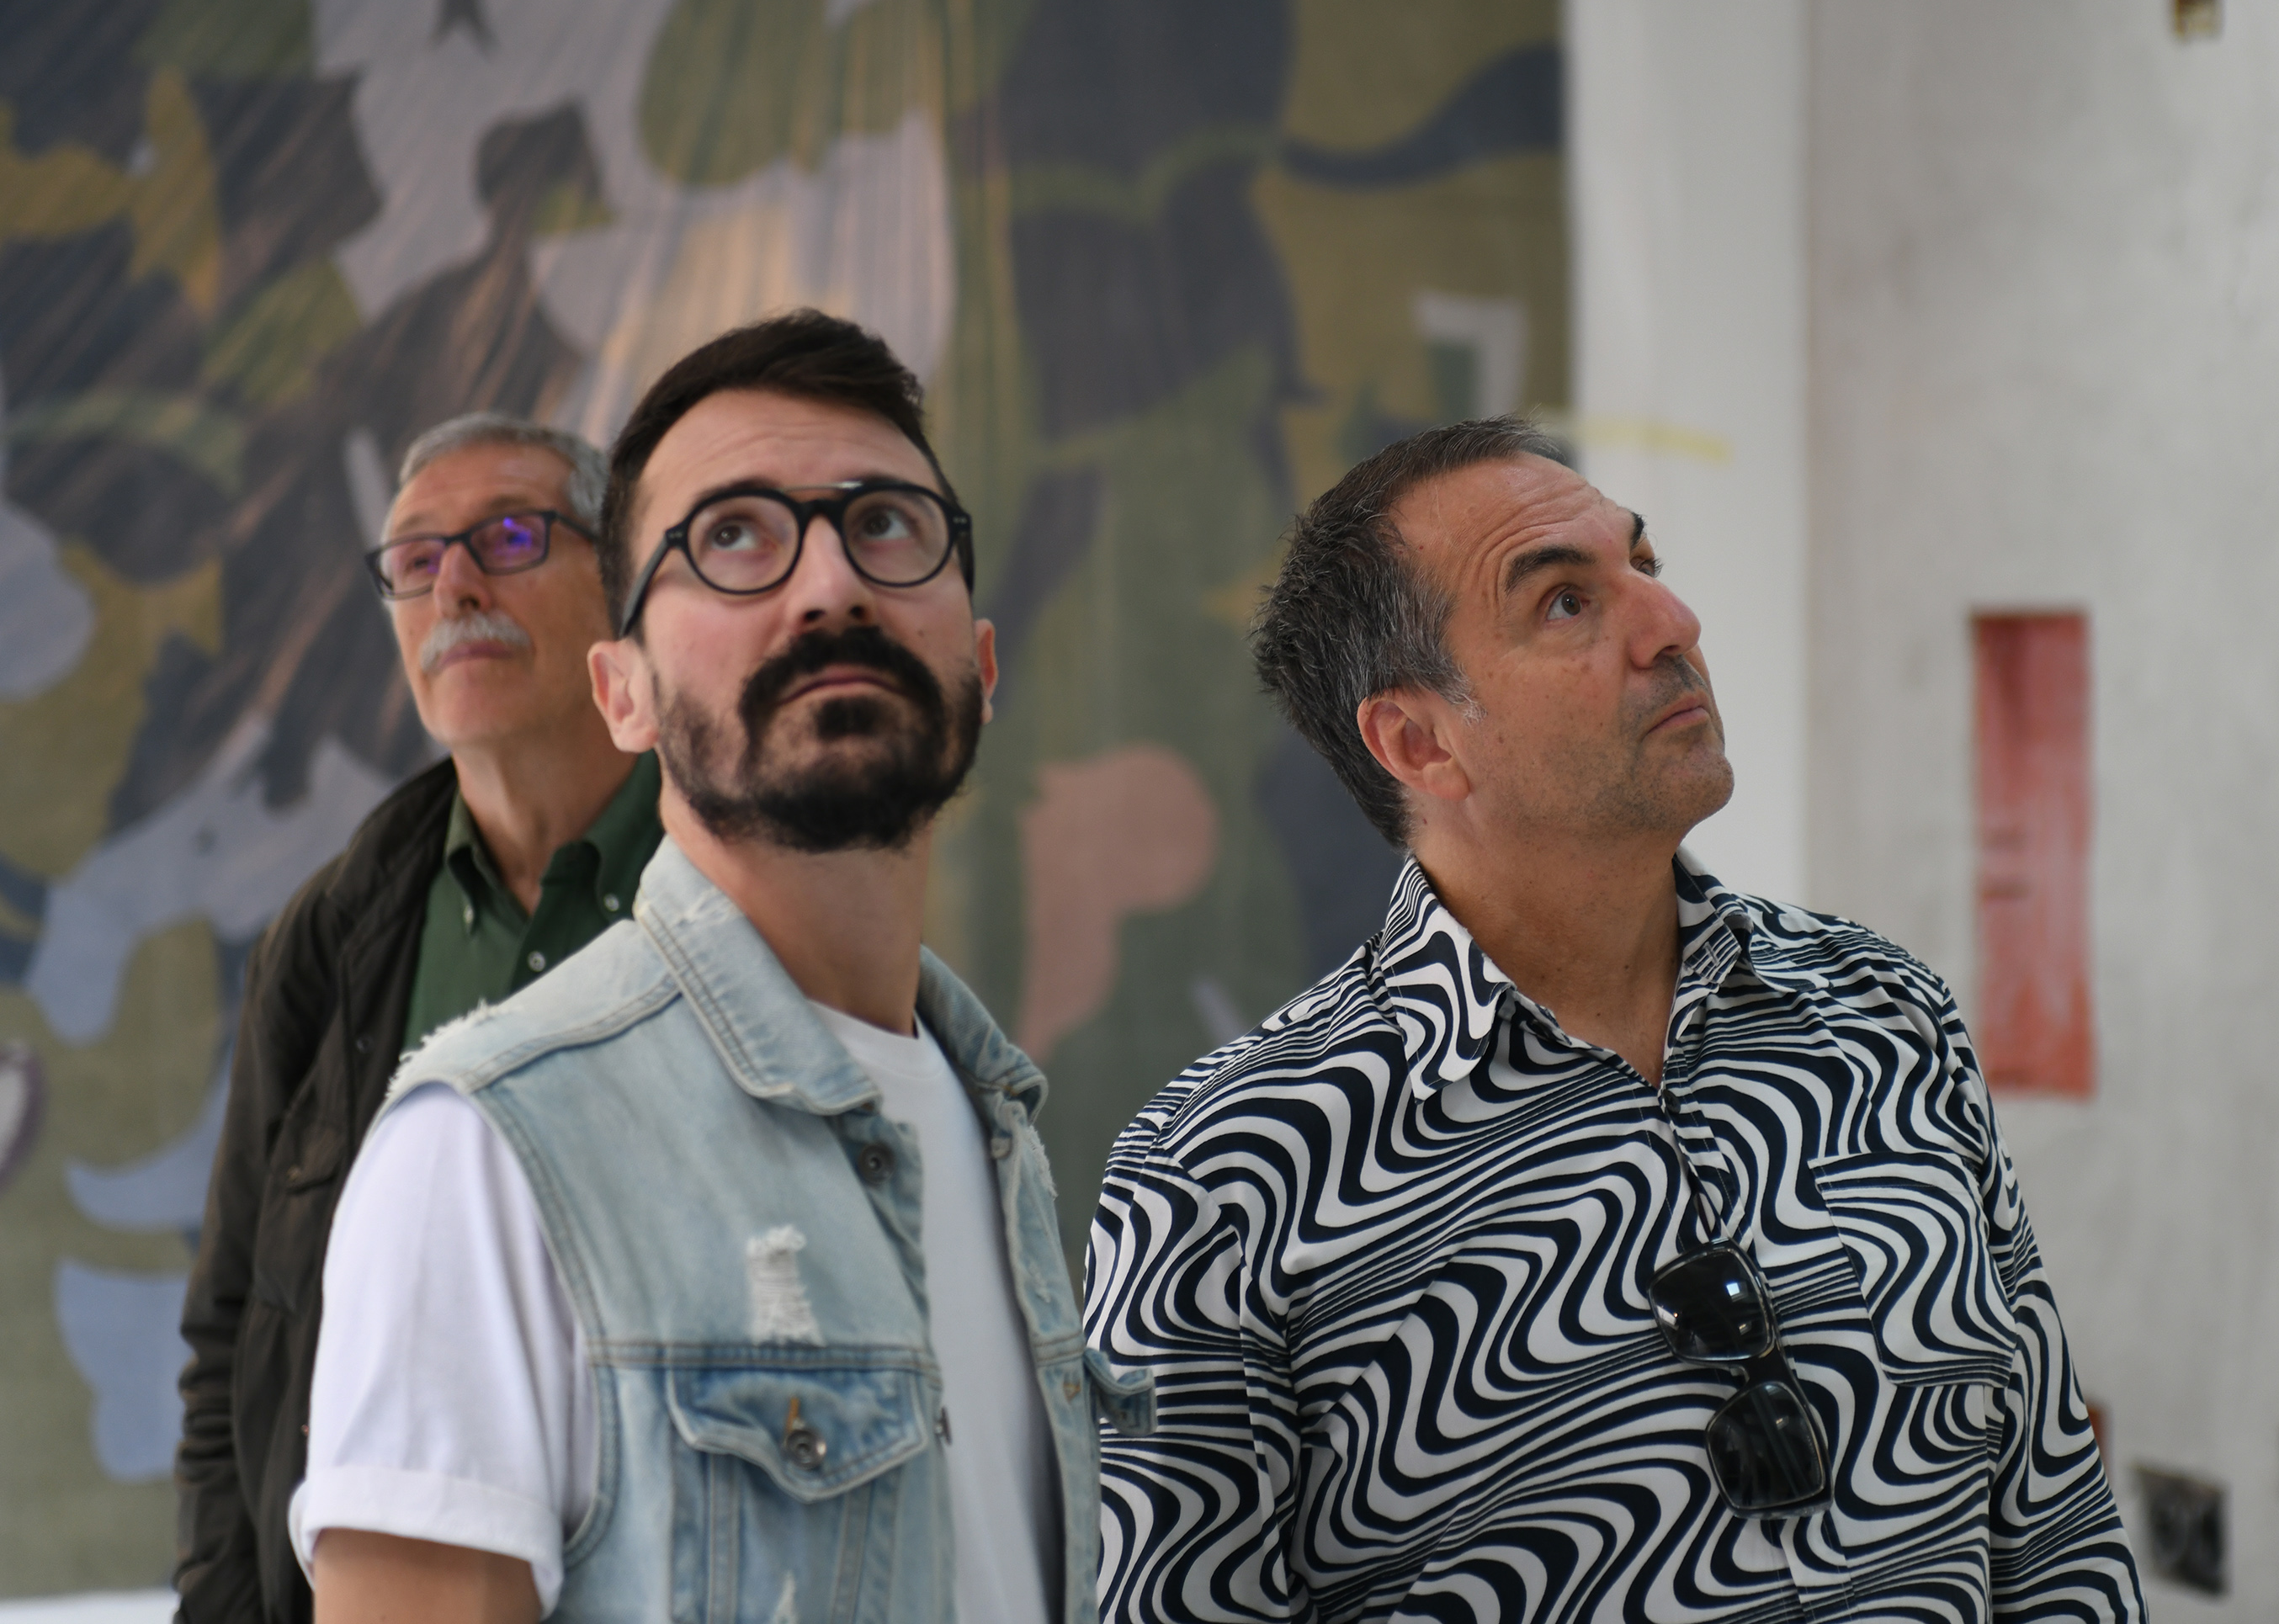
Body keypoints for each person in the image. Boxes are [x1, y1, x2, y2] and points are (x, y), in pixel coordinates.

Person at [1089, 418, 2147, 1622]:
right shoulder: (1230, 1173)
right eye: (1564, 604)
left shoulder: (1883, 1017)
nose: (1671, 622)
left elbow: (2055, 1535)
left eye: (1643, 563)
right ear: (1419, 741)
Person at [290, 311, 1129, 1624]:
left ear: (980, 665)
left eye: (885, 525)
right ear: (619, 693)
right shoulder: (486, 1151)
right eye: (733, 536)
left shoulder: (994, 1127)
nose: (830, 585)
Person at [175, 413, 661, 1624]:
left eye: (509, 536)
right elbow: (236, 1337)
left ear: (624, 579)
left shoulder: (744, 885)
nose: (455, 587)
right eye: (414, 558)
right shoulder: (329, 940)